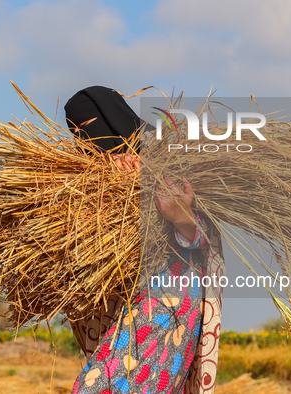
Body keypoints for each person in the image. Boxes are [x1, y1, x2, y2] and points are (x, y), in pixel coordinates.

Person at [65, 86, 225, 394]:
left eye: (88, 128)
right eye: (76, 133)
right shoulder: (93, 176)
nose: (85, 142)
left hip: (169, 296)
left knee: (96, 388)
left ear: (111, 118)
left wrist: (177, 212)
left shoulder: (169, 155)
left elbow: (204, 233)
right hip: (126, 300)